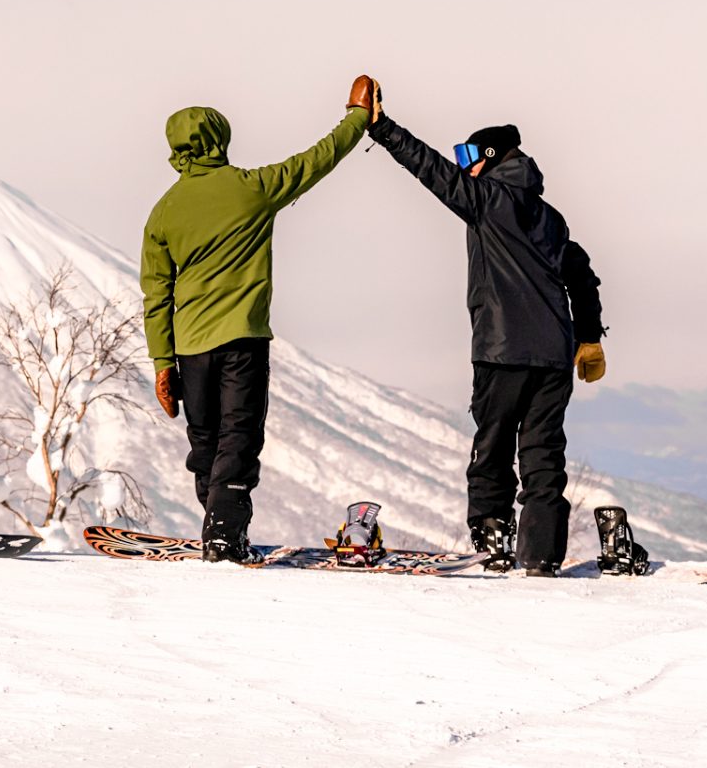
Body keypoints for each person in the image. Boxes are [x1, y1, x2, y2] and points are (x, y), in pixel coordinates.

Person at [361, 82, 605, 575]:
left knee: (492, 448)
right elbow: (582, 275)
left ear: (489, 158)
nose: (464, 164)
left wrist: (380, 127)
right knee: (543, 454)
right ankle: (540, 554)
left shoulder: (486, 199)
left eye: (469, 155)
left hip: (501, 352)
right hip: (554, 359)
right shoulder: (551, 219)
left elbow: (429, 169)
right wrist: (589, 337)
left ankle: (493, 539)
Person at [139, 78, 378, 562]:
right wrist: (358, 116)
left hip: (189, 347)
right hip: (243, 340)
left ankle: (218, 528)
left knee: (206, 442)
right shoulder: (254, 188)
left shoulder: (162, 214)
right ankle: (225, 536)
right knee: (239, 439)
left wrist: (163, 363)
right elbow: (319, 158)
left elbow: (155, 295)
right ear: (220, 139)